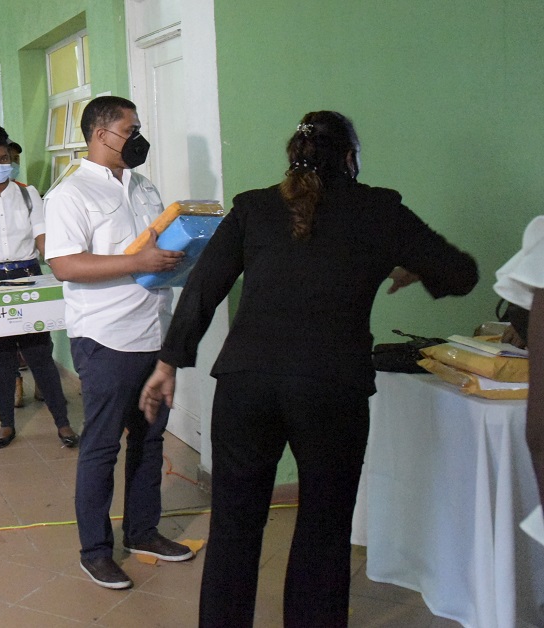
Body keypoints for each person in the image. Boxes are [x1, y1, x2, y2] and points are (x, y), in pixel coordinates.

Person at [141, 111, 479, 626]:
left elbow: (203, 286)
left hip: (246, 384)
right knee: (323, 529)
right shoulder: (379, 209)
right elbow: (461, 272)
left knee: (234, 526)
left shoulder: (253, 207)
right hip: (330, 388)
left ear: (292, 158)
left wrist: (169, 362)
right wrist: (415, 267)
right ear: (349, 157)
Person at [44, 95, 194, 591]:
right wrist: (138, 264)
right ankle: (95, 550)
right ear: (101, 133)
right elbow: (65, 265)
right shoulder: (69, 194)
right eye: (130, 130)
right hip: (106, 338)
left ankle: (143, 532)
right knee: (103, 447)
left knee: (150, 441)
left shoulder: (145, 187)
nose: (137, 138)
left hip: (154, 334)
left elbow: (160, 248)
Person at [0, 124, 77, 450]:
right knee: (3, 357)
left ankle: (63, 422)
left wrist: (61, 267)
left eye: (4, 158)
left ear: (11, 159)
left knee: (41, 355)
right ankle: (6, 424)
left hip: (27, 276)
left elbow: (42, 238)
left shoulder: (29, 194)